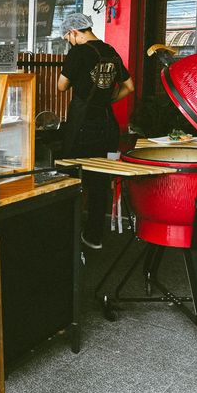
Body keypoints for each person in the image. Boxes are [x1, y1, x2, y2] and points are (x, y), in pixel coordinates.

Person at [57, 13, 135, 249]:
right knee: (99, 180)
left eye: (67, 37)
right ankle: (94, 237)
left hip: (82, 125)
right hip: (106, 125)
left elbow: (61, 86)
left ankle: (66, 233)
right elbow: (129, 87)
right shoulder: (111, 51)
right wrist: (108, 100)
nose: (69, 42)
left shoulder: (78, 52)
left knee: (69, 176)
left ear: (74, 32)